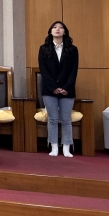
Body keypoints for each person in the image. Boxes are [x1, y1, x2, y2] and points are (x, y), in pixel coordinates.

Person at [38, 21, 78, 158]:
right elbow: (44, 70)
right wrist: (54, 87)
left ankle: (66, 147)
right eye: (54, 27)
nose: (57, 29)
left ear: (64, 32)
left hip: (68, 90)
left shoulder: (72, 50)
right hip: (49, 90)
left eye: (61, 27)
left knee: (66, 120)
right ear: (50, 31)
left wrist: (66, 87)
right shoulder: (44, 49)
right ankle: (53, 146)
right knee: (53, 119)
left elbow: (73, 71)